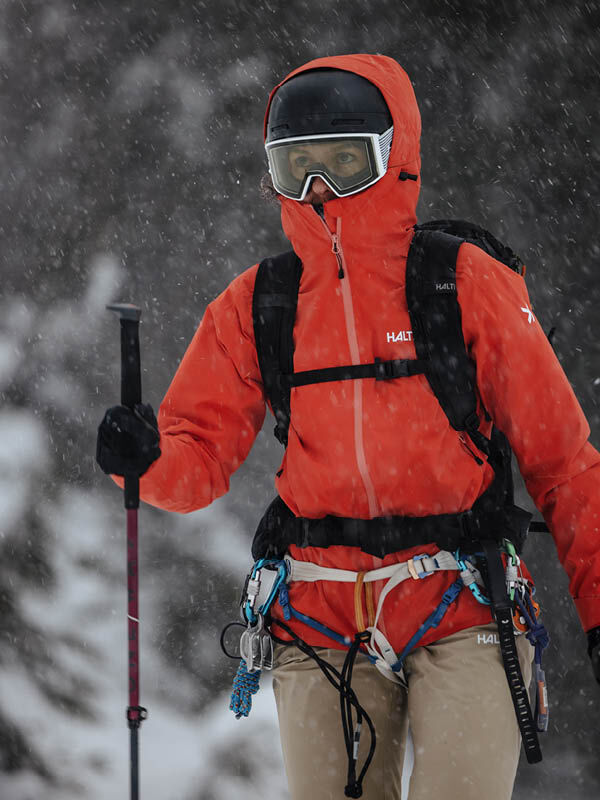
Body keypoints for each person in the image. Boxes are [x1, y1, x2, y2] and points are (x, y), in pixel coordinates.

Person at [97, 54, 600, 800]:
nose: (320, 188)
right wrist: (141, 458)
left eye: (344, 162)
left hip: (462, 603)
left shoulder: (461, 282)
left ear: (394, 159)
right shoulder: (260, 302)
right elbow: (194, 461)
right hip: (320, 615)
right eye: (296, 167)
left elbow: (565, 464)